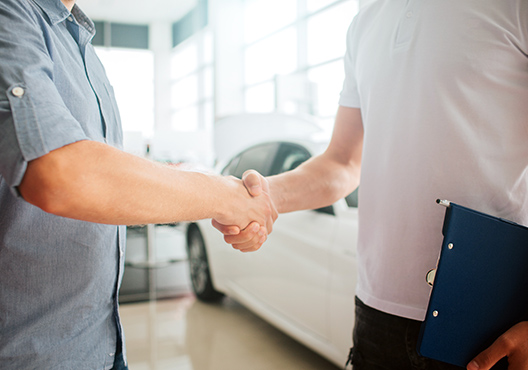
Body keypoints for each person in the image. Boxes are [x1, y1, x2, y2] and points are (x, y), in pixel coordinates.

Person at [215, 1, 528, 369]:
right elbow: (343, 162)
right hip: (374, 316)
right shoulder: (366, 19)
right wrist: (258, 198)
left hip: (485, 318)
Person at [0, 0, 276, 369]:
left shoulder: (81, 44)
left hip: (102, 344)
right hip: (31, 354)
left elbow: (104, 164)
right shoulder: (12, 14)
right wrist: (223, 197)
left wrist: (208, 184)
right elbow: (60, 174)